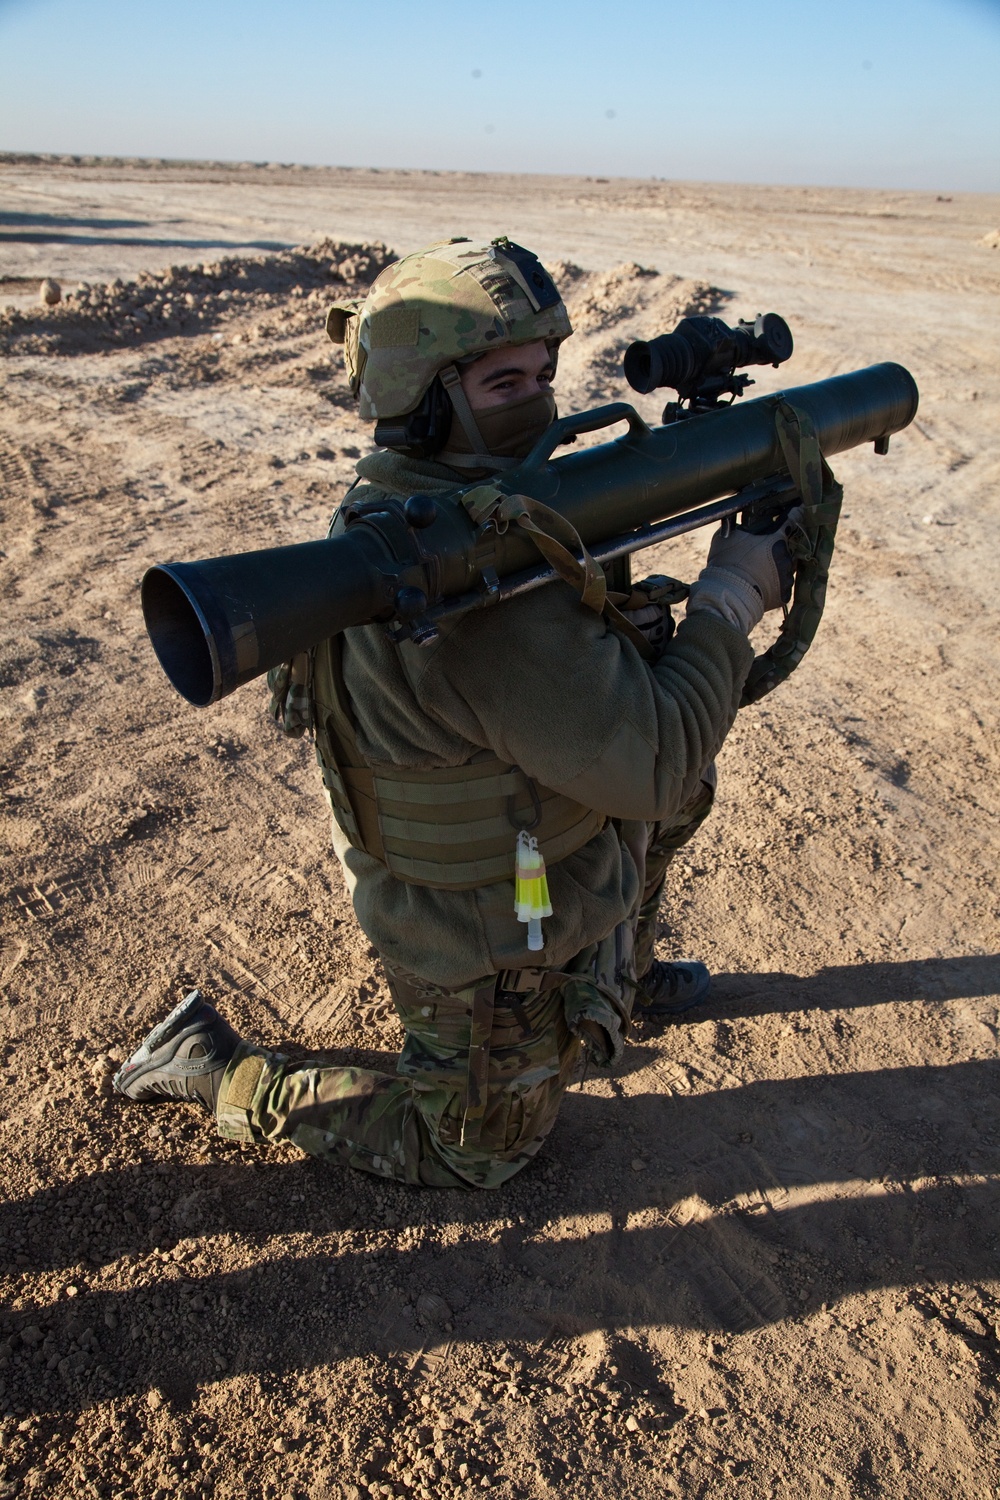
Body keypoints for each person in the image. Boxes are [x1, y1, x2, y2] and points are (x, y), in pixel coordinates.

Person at [116, 237, 796, 1189]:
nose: (542, 403)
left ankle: (619, 976)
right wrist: (731, 599)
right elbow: (652, 763)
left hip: (533, 843)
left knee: (676, 779)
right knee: (475, 1152)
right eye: (505, 382)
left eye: (546, 374)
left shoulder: (423, 502)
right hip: (485, 923)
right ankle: (211, 1068)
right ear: (426, 400)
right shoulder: (478, 589)